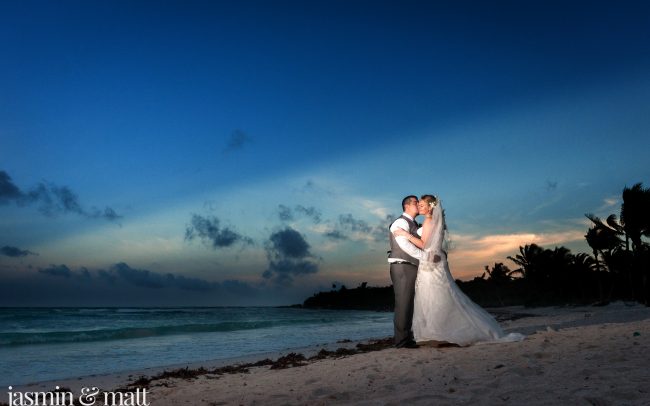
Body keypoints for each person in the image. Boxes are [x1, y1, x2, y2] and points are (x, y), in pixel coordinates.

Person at [393, 195, 524, 345]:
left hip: (431, 263)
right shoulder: (430, 221)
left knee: (436, 296)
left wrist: (405, 234)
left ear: (430, 207)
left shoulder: (429, 221)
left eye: (422, 205)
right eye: (418, 204)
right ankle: (437, 330)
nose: (420, 207)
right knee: (436, 296)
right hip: (431, 262)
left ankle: (442, 330)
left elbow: (423, 244)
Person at [387, 195, 424, 348]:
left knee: (410, 303)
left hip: (411, 265)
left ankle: (408, 337)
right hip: (402, 266)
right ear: (407, 205)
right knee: (404, 303)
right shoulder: (401, 222)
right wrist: (425, 257)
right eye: (416, 202)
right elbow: (404, 245)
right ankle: (402, 341)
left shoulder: (415, 224)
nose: (419, 205)